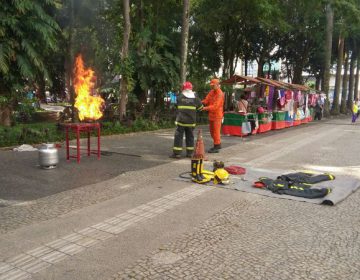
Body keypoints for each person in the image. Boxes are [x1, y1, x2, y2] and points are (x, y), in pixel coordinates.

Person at [170, 81, 203, 159]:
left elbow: (173, 104)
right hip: (191, 122)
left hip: (181, 121)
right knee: (190, 137)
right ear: (191, 88)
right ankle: (190, 153)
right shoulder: (195, 97)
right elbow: (201, 108)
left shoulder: (179, 96)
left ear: (183, 88)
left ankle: (177, 154)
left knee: (178, 137)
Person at [201, 78, 225, 153]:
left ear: (218, 85)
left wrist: (204, 108)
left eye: (213, 85)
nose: (212, 87)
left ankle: (217, 145)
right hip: (211, 115)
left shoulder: (220, 94)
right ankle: (217, 144)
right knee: (212, 132)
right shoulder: (211, 92)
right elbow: (206, 100)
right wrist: (199, 102)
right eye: (211, 85)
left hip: (217, 115)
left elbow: (215, 106)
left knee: (216, 132)